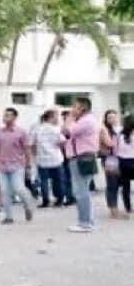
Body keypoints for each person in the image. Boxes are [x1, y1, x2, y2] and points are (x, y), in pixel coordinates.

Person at [63, 96, 99, 233]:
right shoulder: (85, 120)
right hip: (81, 158)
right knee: (82, 190)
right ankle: (86, 221)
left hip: (82, 158)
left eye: (75, 107)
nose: (72, 109)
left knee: (81, 191)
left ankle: (85, 223)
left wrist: (69, 118)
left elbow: (68, 131)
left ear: (82, 108)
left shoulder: (86, 121)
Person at [0, 107, 35, 225]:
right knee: (5, 191)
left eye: (9, 115)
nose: (5, 117)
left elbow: (27, 149)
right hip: (2, 166)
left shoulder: (21, 132)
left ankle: (27, 205)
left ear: (15, 117)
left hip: (17, 165)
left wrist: (28, 165)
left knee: (19, 188)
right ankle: (8, 216)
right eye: (5, 115)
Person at [33, 109, 67, 207]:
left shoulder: (37, 129)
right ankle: (59, 199)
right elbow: (62, 142)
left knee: (43, 180)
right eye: (57, 116)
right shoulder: (56, 129)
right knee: (58, 180)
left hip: (42, 159)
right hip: (55, 158)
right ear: (51, 117)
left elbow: (32, 144)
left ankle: (45, 200)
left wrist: (36, 154)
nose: (58, 119)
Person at [100, 109, 125, 220]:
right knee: (112, 184)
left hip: (124, 159)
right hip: (110, 159)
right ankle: (113, 210)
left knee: (123, 184)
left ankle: (121, 208)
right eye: (109, 117)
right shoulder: (104, 130)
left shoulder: (123, 129)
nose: (112, 119)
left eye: (113, 116)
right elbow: (107, 145)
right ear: (105, 119)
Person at [116, 114, 134, 216]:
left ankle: (128, 208)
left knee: (125, 187)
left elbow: (115, 149)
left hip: (122, 162)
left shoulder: (119, 135)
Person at [59, 110, 77, 206]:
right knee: (66, 178)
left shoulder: (74, 127)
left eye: (67, 117)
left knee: (71, 177)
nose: (66, 119)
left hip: (73, 155)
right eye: (64, 117)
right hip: (65, 155)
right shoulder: (62, 128)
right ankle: (70, 197)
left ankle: (73, 196)